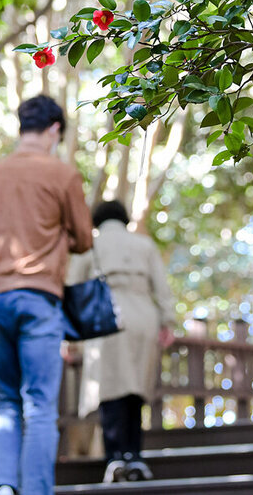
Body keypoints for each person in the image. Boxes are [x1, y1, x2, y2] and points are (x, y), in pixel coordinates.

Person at [0, 95, 93, 495]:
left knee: (7, 400)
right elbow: (84, 239)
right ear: (55, 129)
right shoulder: (61, 174)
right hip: (38, 295)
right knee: (39, 404)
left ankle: (4, 486)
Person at [68, 201, 176, 483]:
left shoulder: (89, 245)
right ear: (124, 219)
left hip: (106, 318)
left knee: (110, 388)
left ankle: (115, 457)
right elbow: (161, 287)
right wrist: (168, 322)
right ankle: (134, 457)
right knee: (135, 390)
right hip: (143, 317)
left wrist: (70, 341)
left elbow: (74, 289)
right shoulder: (144, 245)